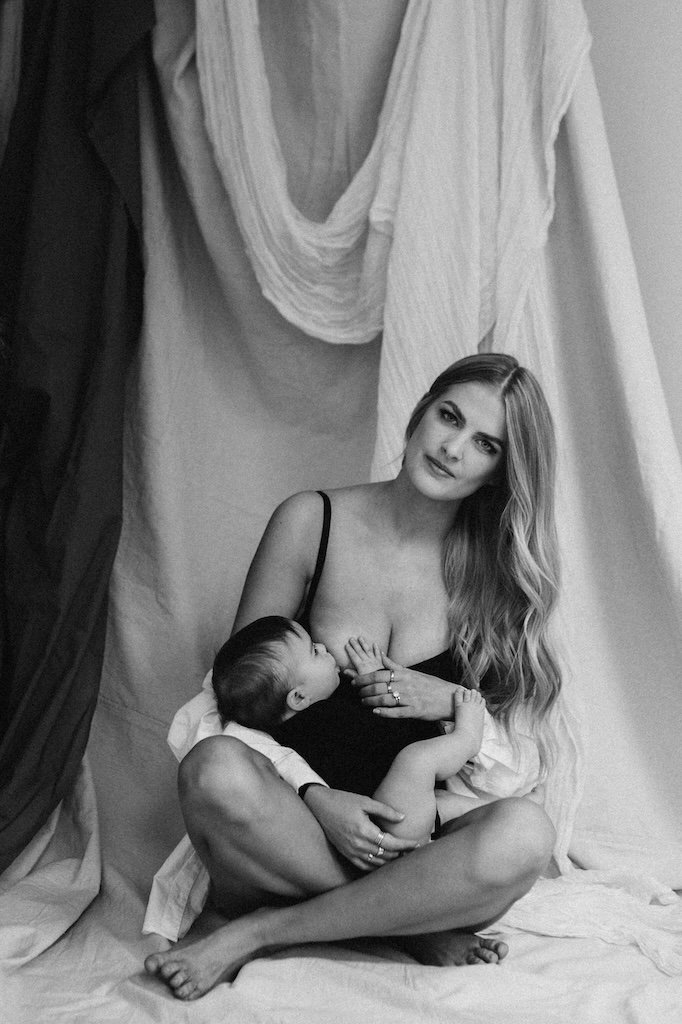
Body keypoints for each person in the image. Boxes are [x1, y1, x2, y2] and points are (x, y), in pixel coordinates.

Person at [145, 352, 561, 1001]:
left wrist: (454, 701)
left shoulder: (493, 579)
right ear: (420, 411)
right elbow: (232, 702)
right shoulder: (311, 521)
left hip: (412, 842)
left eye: (484, 444)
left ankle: (259, 933)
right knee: (210, 768)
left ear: (498, 473)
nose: (453, 448)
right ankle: (407, 919)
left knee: (527, 835)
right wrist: (318, 799)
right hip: (291, 834)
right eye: (448, 417)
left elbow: (514, 761)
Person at [212, 616, 488, 845]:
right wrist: (377, 682)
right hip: (387, 822)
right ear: (298, 698)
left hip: (386, 818)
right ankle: (468, 737)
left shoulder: (285, 734)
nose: (323, 647)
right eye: (314, 652)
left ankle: (517, 810)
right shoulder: (323, 721)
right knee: (418, 760)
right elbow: (395, 736)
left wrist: (366, 684)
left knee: (459, 807)